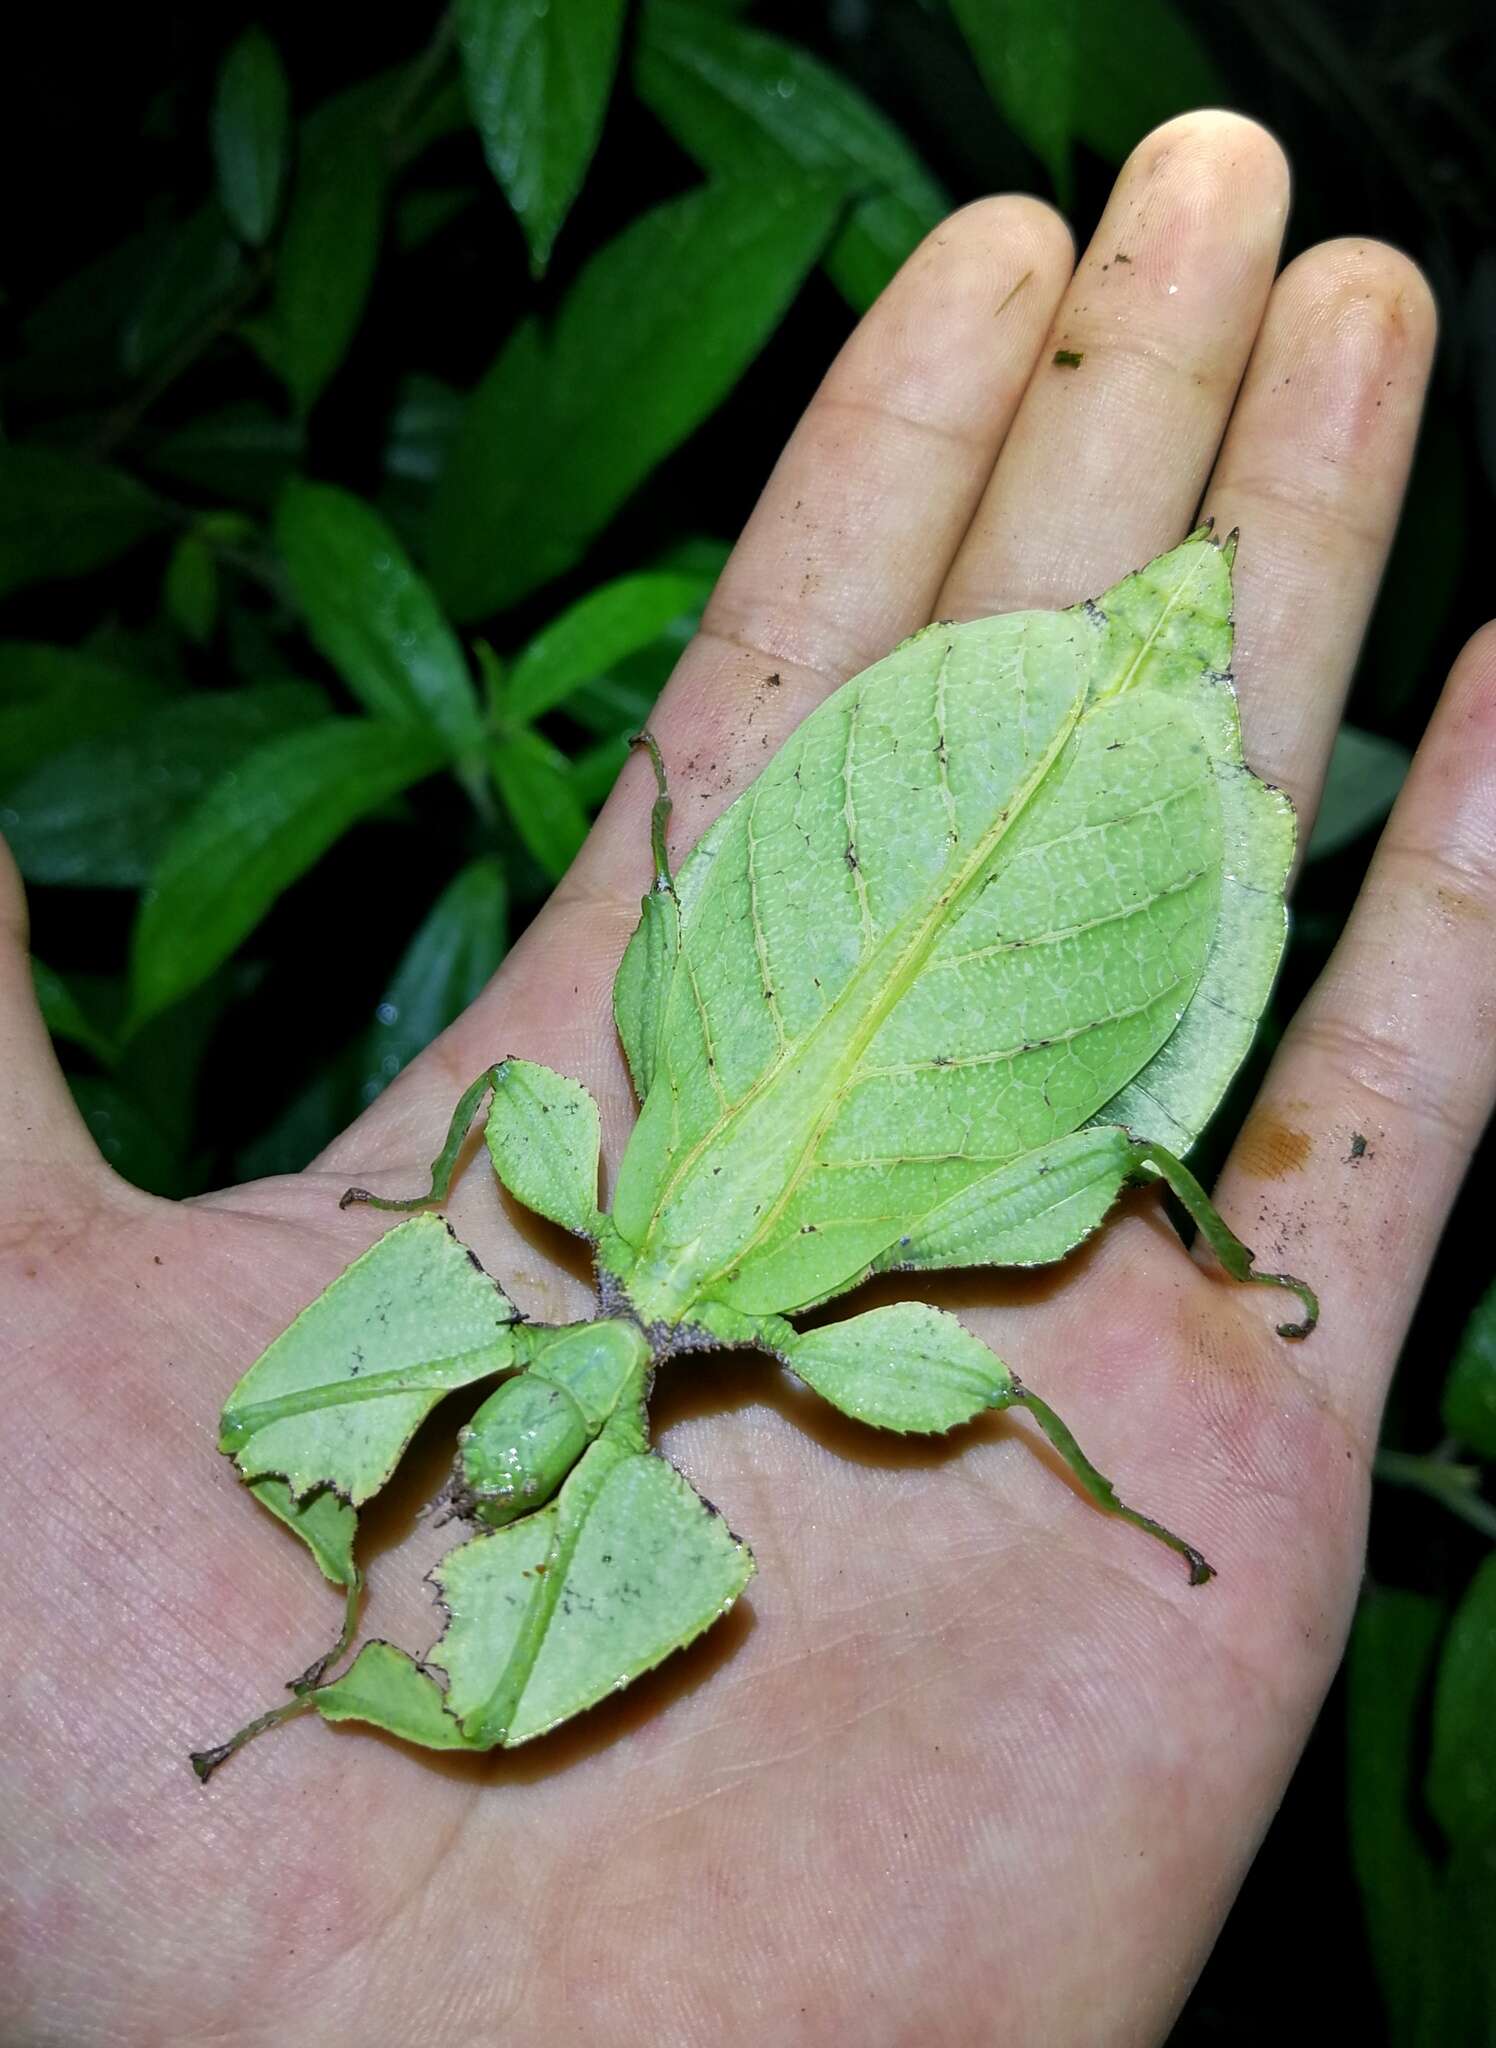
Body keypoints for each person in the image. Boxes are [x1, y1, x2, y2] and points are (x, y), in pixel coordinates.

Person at [2, 110, 1489, 2044]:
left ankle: (1147, 716)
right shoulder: (657, 1252)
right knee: (1094, 1168)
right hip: (1024, 820)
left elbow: (657, 969)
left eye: (481, 1456)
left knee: (1095, 1173)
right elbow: (665, 955)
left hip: (1028, 775)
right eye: (520, 1472)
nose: (494, 1475)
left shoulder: (577, 1196)